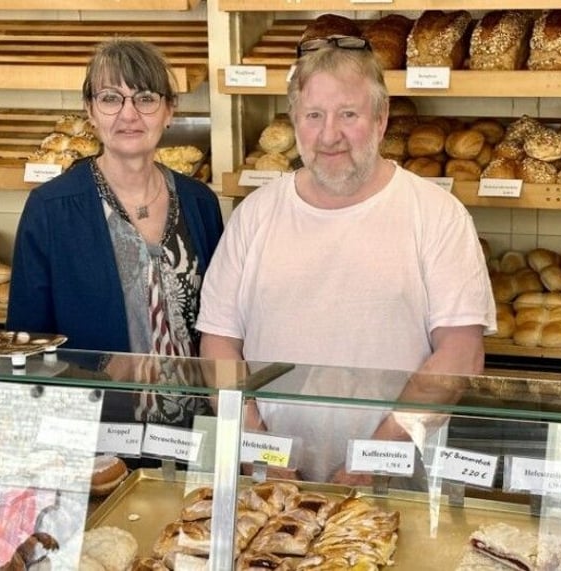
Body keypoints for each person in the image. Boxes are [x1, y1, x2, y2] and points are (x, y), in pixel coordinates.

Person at [196, 39, 494, 483]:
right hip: (271, 489)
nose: (329, 134)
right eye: (314, 115)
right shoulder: (255, 214)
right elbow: (219, 343)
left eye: (348, 115)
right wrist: (258, 449)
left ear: (381, 118)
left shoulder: (434, 213)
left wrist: (374, 459)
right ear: (295, 121)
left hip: (395, 484)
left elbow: (461, 353)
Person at [8, 38, 223, 428]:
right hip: (101, 433)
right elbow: (25, 345)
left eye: (145, 98)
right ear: (90, 111)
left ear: (169, 110)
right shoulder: (52, 209)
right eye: (111, 98)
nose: (129, 114)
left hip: (195, 433)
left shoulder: (200, 203)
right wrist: (101, 363)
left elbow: (221, 323)